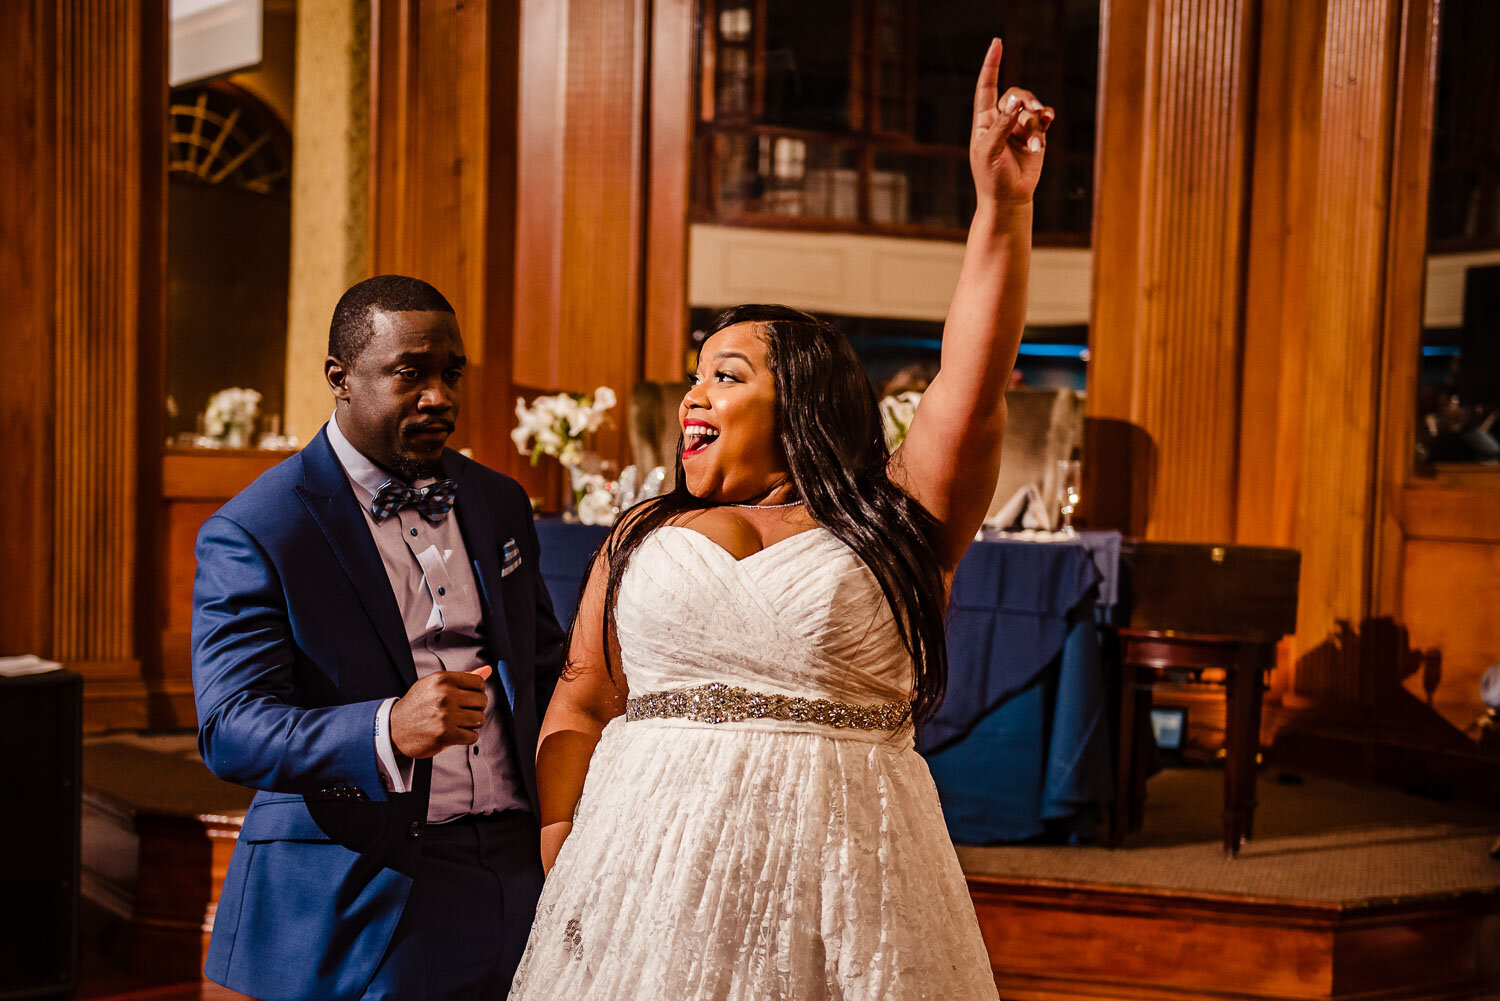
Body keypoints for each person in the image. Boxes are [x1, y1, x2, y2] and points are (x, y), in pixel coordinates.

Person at [509, 39, 1049, 999]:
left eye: (727, 374)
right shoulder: (641, 532)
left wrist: (1001, 209)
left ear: (800, 401)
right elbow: (584, 695)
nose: (692, 395)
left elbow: (967, 390)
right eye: (693, 376)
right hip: (646, 881)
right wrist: (563, 845)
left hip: (846, 878)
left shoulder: (897, 521)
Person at [191, 275, 565, 1001]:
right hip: (371, 880)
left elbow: (544, 664)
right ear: (341, 378)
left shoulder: (498, 500)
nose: (440, 396)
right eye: (411, 374)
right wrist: (385, 728)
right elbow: (229, 727)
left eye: (451, 373)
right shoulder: (261, 528)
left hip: (522, 875)